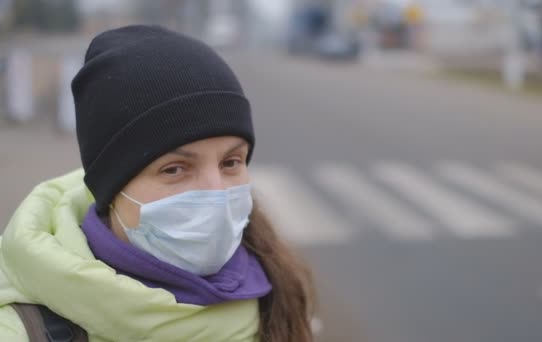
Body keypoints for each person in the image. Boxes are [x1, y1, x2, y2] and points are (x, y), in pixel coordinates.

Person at [0, 25, 316, 341]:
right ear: (111, 189)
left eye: (230, 162)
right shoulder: (23, 330)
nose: (216, 191)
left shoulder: (279, 293)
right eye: (174, 169)